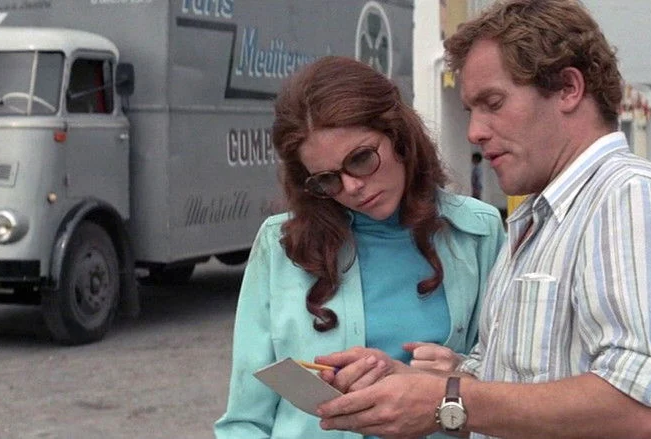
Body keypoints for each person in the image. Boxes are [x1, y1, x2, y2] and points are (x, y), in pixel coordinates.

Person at [315, 1, 651, 438]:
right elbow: (527, 385)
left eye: (492, 103)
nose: (474, 131)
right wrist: (424, 382)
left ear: (569, 88)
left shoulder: (629, 197)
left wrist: (447, 400)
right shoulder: (543, 218)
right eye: (471, 111)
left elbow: (641, 408)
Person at [213, 55, 506, 438]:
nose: (352, 187)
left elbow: (515, 388)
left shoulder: (477, 232)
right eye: (327, 179)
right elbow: (245, 419)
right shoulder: (280, 245)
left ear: (400, 136)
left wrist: (459, 377)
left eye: (361, 159)